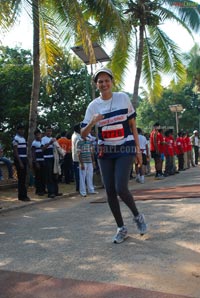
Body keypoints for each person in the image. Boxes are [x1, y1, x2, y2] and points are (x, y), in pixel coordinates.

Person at [81, 67, 147, 244]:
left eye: (106, 80)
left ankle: (137, 216)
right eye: (100, 81)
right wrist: (93, 122)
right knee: (109, 190)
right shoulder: (93, 106)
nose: (104, 84)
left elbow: (132, 124)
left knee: (121, 187)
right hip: (105, 151)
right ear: (96, 85)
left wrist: (138, 150)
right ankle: (121, 228)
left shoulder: (122, 98)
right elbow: (83, 133)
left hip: (125, 148)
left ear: (112, 81)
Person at [41, 127, 62, 198]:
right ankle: (50, 192)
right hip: (47, 159)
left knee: (55, 175)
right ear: (45, 132)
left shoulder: (54, 139)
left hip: (54, 159)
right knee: (49, 176)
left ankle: (56, 191)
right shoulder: (43, 139)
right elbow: (42, 149)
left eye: (50, 131)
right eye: (47, 131)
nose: (49, 132)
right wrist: (49, 143)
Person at [12, 124, 30, 201]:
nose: (22, 131)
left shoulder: (23, 138)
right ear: (18, 130)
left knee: (24, 179)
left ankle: (24, 195)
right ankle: (21, 196)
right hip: (19, 160)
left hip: (24, 159)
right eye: (20, 129)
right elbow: (15, 152)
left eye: (23, 129)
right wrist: (20, 162)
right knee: (21, 179)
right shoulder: (15, 139)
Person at [31, 129, 46, 196]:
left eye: (39, 134)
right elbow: (33, 153)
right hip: (37, 161)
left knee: (43, 176)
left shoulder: (42, 142)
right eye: (37, 135)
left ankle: (43, 189)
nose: (38, 136)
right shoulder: (34, 143)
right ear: (35, 135)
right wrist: (36, 162)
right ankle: (38, 190)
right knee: (38, 177)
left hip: (43, 160)